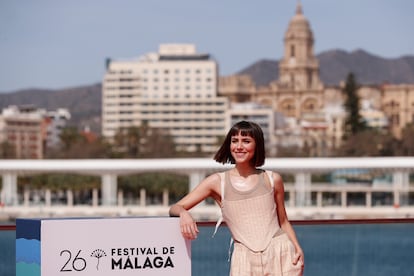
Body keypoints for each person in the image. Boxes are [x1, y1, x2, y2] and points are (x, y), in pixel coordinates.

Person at [169, 120, 304, 275]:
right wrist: (184, 214)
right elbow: (175, 208)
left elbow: (283, 221)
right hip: (243, 259)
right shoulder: (217, 182)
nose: (239, 146)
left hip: (281, 253)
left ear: (257, 145)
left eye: (246, 141)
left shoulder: (273, 179)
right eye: (234, 141)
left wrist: (298, 248)